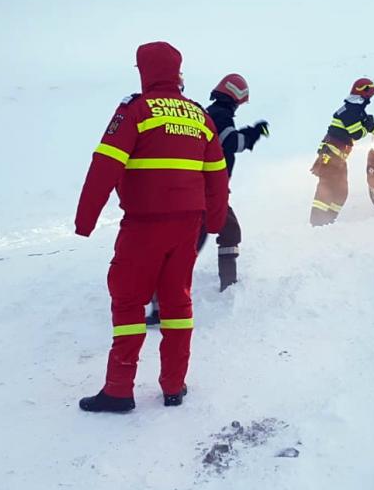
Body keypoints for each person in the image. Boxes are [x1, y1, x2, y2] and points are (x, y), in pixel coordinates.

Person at [75, 41, 229, 413]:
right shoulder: (199, 116)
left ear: (144, 71)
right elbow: (217, 176)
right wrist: (216, 221)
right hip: (188, 226)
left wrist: (85, 220)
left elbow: (105, 165)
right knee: (177, 301)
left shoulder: (135, 110)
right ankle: (174, 386)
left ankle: (118, 390)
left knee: (128, 300)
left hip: (144, 225)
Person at [195, 73, 269, 291]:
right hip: (209, 190)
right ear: (235, 98)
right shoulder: (220, 115)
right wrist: (254, 133)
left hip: (206, 188)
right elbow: (231, 142)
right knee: (205, 237)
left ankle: (227, 283)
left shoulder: (213, 113)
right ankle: (227, 285)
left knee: (224, 232)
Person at [310, 78, 374, 226]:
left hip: (338, 157)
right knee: (327, 187)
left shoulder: (357, 109)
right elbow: (357, 133)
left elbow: (371, 126)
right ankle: (317, 223)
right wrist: (367, 127)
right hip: (331, 154)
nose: (370, 99)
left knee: (341, 191)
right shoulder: (350, 111)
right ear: (363, 94)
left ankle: (328, 221)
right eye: (370, 95)